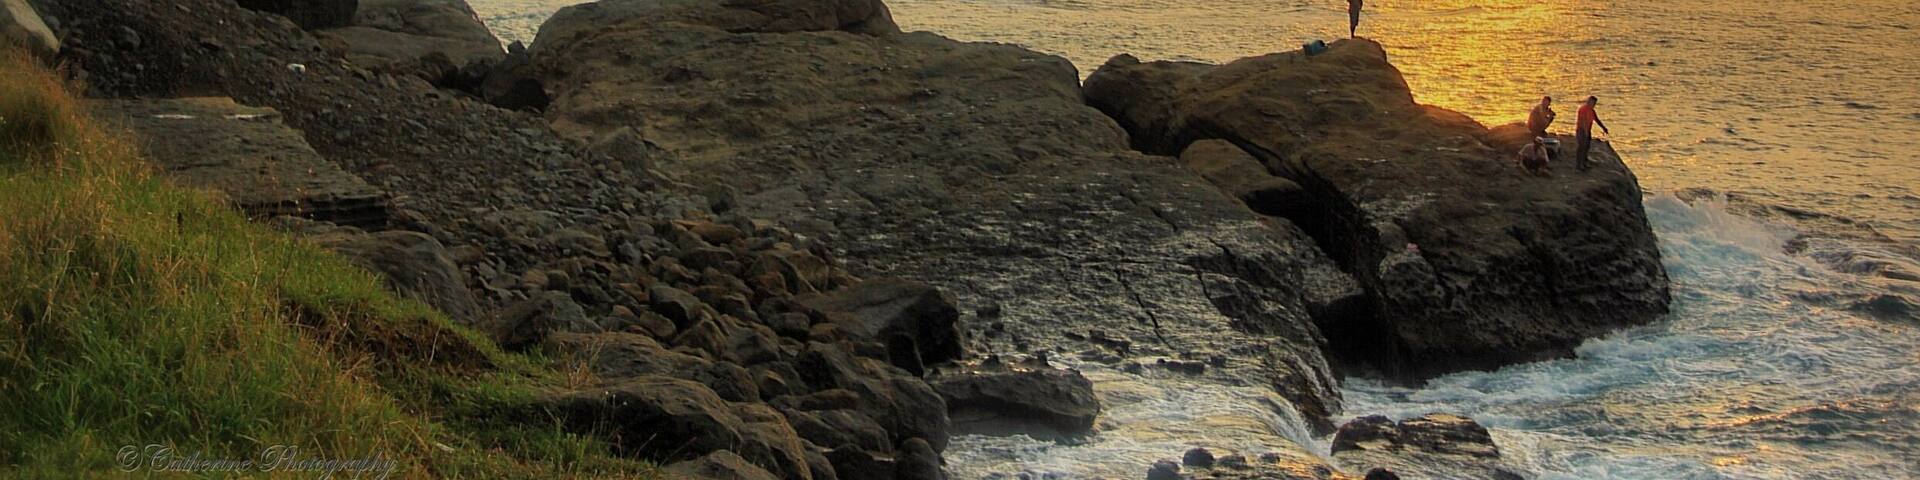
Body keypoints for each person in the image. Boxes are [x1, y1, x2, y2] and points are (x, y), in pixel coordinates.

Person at [1575, 95, 1610, 171]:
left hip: (1588, 130)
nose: (1593, 104)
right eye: (1592, 102)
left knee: (1587, 147)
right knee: (1581, 147)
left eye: (1594, 103)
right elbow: (1583, 121)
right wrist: (1586, 132)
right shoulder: (1582, 109)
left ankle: (1584, 163)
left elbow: (1597, 120)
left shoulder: (1592, 111)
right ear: (1589, 101)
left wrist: (1604, 128)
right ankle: (1579, 165)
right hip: (1581, 131)